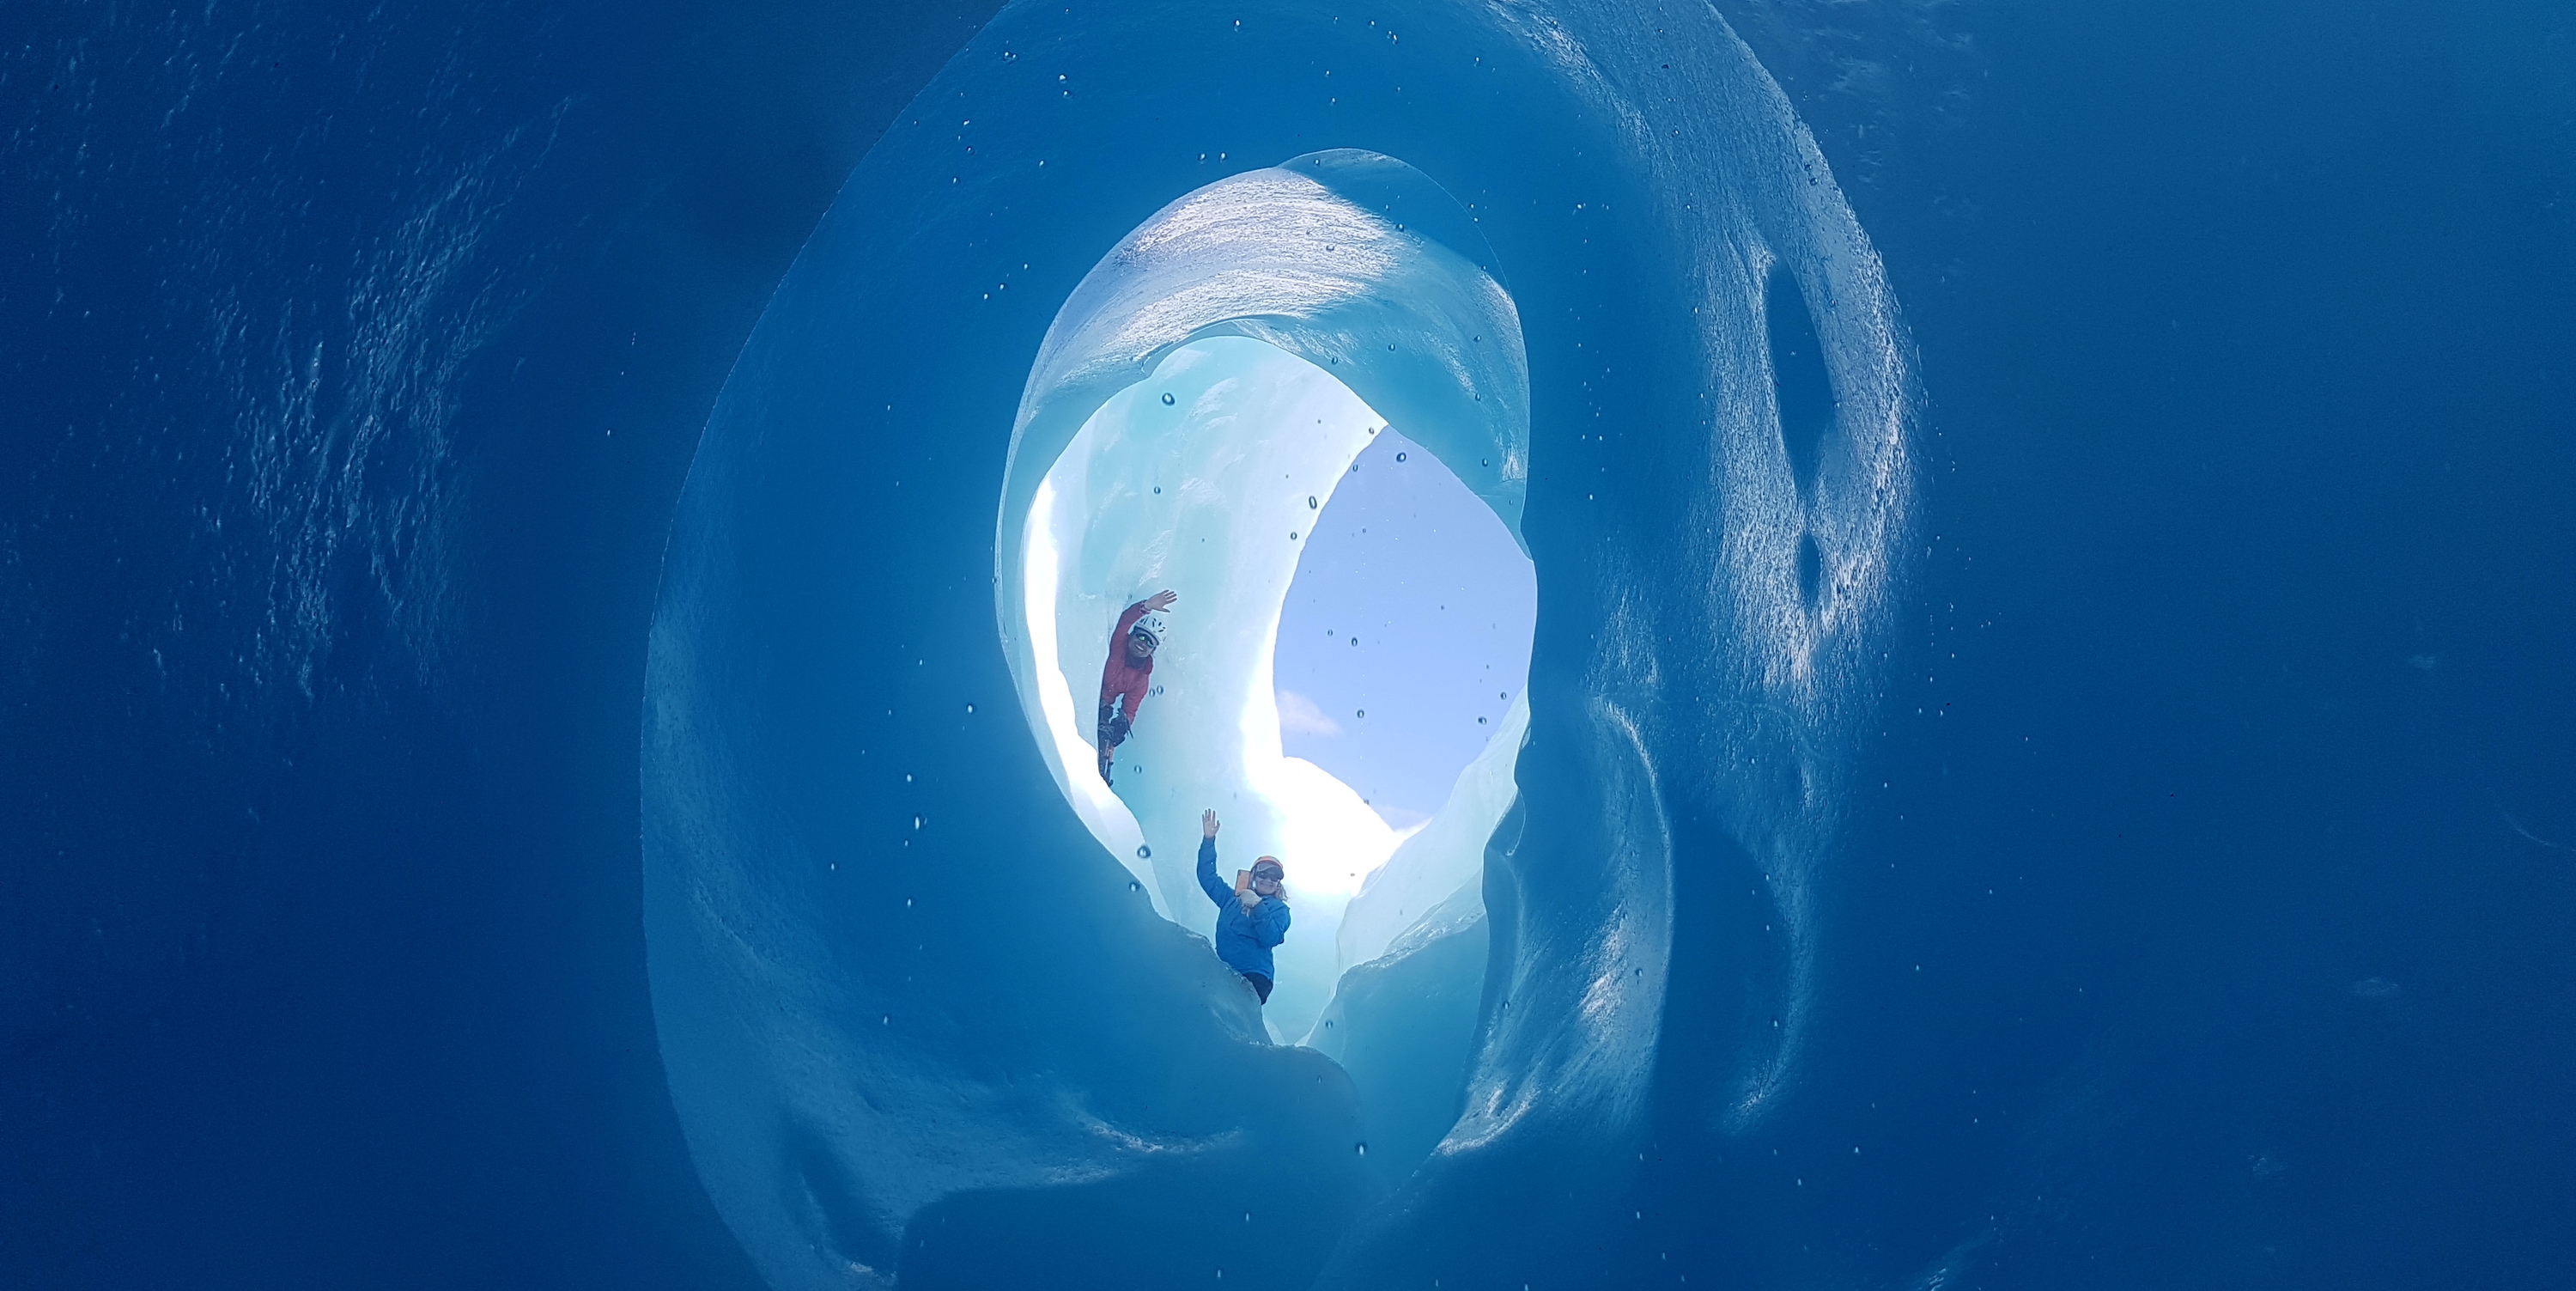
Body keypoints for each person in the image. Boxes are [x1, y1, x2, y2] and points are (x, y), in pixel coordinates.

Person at [1194, 809, 1290, 1003]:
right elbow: (1207, 877)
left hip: (1255, 977)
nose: (1269, 880)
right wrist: (1208, 840)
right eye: (1264, 874)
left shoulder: (1279, 909)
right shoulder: (1231, 899)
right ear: (1253, 875)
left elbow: (1271, 937)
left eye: (1275, 877)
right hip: (1224, 971)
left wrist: (1257, 906)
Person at [1096, 588, 1176, 784]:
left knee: (1105, 732)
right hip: (1093, 695)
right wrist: (1146, 607)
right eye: (1141, 637)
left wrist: (1122, 725)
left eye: (1149, 643)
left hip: (1104, 704)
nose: (1143, 644)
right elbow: (1124, 623)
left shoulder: (1142, 677)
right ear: (1133, 636)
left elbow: (1130, 707)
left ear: (1152, 650)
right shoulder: (1119, 645)